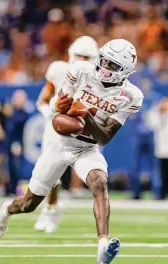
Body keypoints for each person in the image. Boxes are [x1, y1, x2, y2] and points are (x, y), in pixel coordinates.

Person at [0, 39, 144, 264]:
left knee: (100, 182)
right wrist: (58, 106)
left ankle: (103, 245)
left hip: (87, 147)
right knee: (28, 205)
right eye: (103, 61)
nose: (104, 68)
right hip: (59, 142)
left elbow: (104, 136)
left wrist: (84, 115)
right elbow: (57, 104)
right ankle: (8, 209)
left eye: (111, 66)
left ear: (124, 72)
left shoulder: (131, 96)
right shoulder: (81, 71)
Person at [34, 36, 99, 233]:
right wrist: (52, 115)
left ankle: (63, 202)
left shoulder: (100, 79)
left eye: (86, 57)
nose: (82, 60)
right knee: (49, 174)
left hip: (83, 130)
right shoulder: (59, 70)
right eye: (79, 55)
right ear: (71, 55)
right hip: (57, 130)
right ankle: (50, 209)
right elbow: (43, 100)